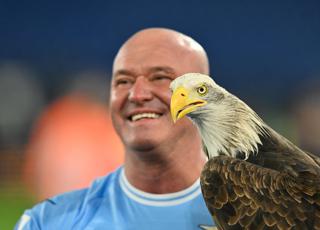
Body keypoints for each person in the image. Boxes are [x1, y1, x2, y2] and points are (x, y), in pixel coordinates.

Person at [15, 28, 216, 230]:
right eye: (123, 81)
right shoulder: (44, 222)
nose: (137, 94)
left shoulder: (245, 213)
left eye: (160, 78)